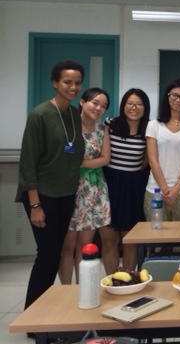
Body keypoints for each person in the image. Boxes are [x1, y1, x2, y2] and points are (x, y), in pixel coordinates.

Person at [16, 60, 85, 309]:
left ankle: (43, 313)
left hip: (65, 194)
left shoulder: (74, 113)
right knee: (46, 255)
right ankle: (33, 319)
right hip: (42, 195)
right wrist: (35, 203)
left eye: (78, 82)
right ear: (55, 83)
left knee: (54, 255)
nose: (73, 87)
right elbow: (28, 161)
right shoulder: (40, 114)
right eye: (67, 82)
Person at [59, 88, 111, 284]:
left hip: (93, 190)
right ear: (82, 102)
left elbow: (105, 159)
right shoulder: (67, 128)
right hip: (69, 190)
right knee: (67, 246)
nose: (98, 108)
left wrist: (80, 164)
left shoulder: (102, 130)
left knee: (85, 244)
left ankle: (82, 288)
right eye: (95, 103)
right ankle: (65, 290)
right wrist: (88, 164)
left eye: (103, 106)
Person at [101, 88, 150, 275]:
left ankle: (128, 279)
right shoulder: (110, 124)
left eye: (139, 104)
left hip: (133, 186)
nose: (134, 107)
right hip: (109, 184)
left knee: (130, 240)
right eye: (130, 103)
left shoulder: (148, 130)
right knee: (109, 240)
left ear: (145, 107)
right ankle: (113, 280)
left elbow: (146, 161)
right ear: (123, 106)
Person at [145, 79, 180, 222]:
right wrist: (165, 189)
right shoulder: (154, 125)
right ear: (168, 96)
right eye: (174, 95)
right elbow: (152, 160)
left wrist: (177, 188)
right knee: (156, 239)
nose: (178, 100)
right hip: (156, 190)